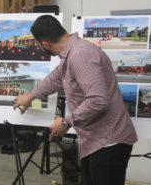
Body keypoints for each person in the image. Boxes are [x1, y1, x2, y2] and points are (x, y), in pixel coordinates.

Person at [13, 15, 137, 185]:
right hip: (95, 142)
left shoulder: (80, 55)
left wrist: (66, 122)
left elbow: (98, 100)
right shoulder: (71, 52)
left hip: (108, 142)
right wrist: (31, 96)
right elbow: (55, 78)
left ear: (45, 45)